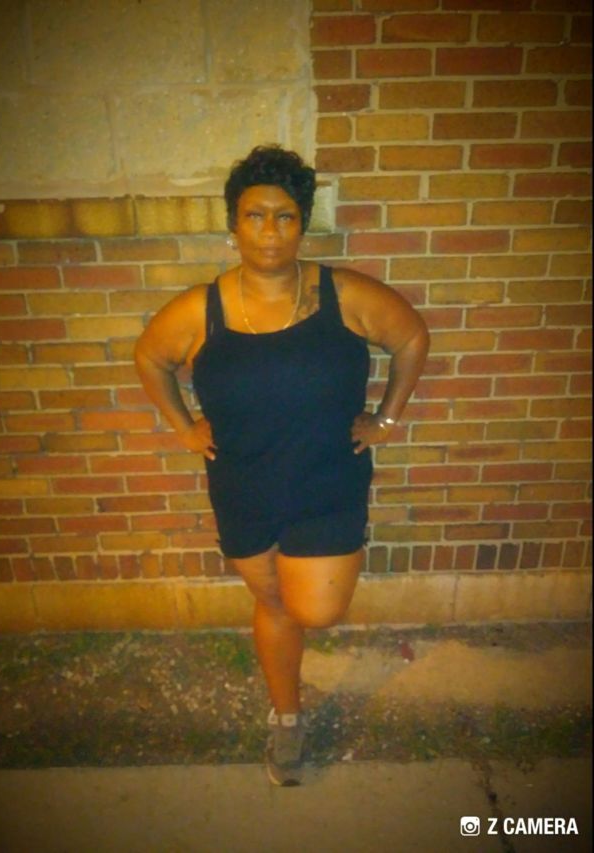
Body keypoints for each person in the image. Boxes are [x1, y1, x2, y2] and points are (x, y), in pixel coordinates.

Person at [134, 145, 430, 786]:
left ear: (302, 224)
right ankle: (287, 715)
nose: (270, 230)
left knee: (313, 609)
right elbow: (150, 358)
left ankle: (288, 665)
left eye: (285, 216)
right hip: (242, 484)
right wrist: (183, 427)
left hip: (327, 481)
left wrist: (386, 419)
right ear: (233, 225)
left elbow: (410, 337)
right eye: (255, 215)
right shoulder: (200, 308)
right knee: (271, 601)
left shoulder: (342, 294)